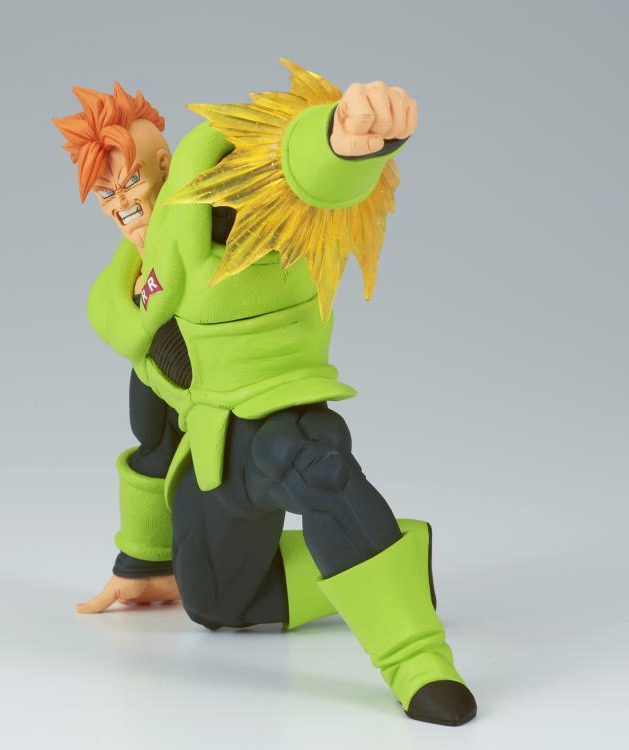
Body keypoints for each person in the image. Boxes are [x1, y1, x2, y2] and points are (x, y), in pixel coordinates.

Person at [53, 59, 476, 726]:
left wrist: (342, 140)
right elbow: (154, 440)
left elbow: (292, 170)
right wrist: (143, 559)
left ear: (164, 163)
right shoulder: (130, 290)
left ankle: (417, 660)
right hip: (211, 462)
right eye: (106, 192)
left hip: (274, 415)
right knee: (217, 602)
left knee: (318, 471)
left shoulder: (217, 198)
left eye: (131, 179)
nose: (122, 203)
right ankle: (400, 556)